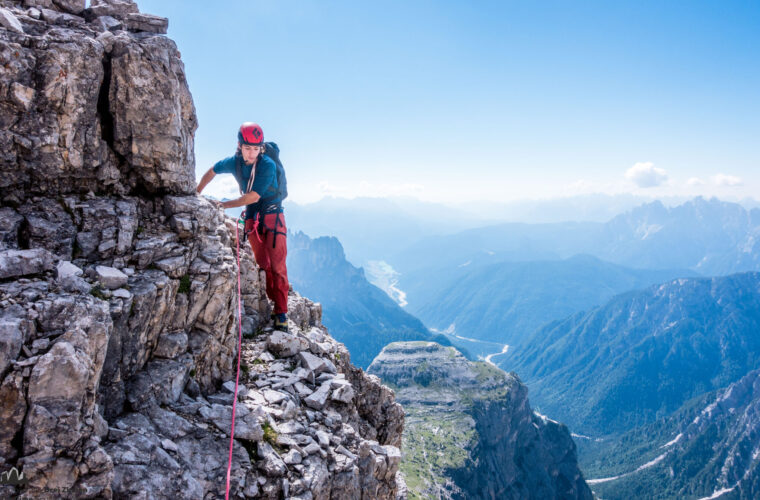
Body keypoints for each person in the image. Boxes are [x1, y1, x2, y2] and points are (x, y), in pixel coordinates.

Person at [196, 122, 289, 332]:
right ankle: (272, 301)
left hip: (273, 217)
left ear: (261, 147)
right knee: (263, 264)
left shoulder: (267, 165)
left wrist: (223, 204)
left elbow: (253, 196)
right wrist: (197, 192)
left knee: (278, 266)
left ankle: (281, 312)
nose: (252, 153)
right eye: (248, 148)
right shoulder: (235, 162)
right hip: (253, 218)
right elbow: (212, 171)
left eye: (256, 148)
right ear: (240, 146)